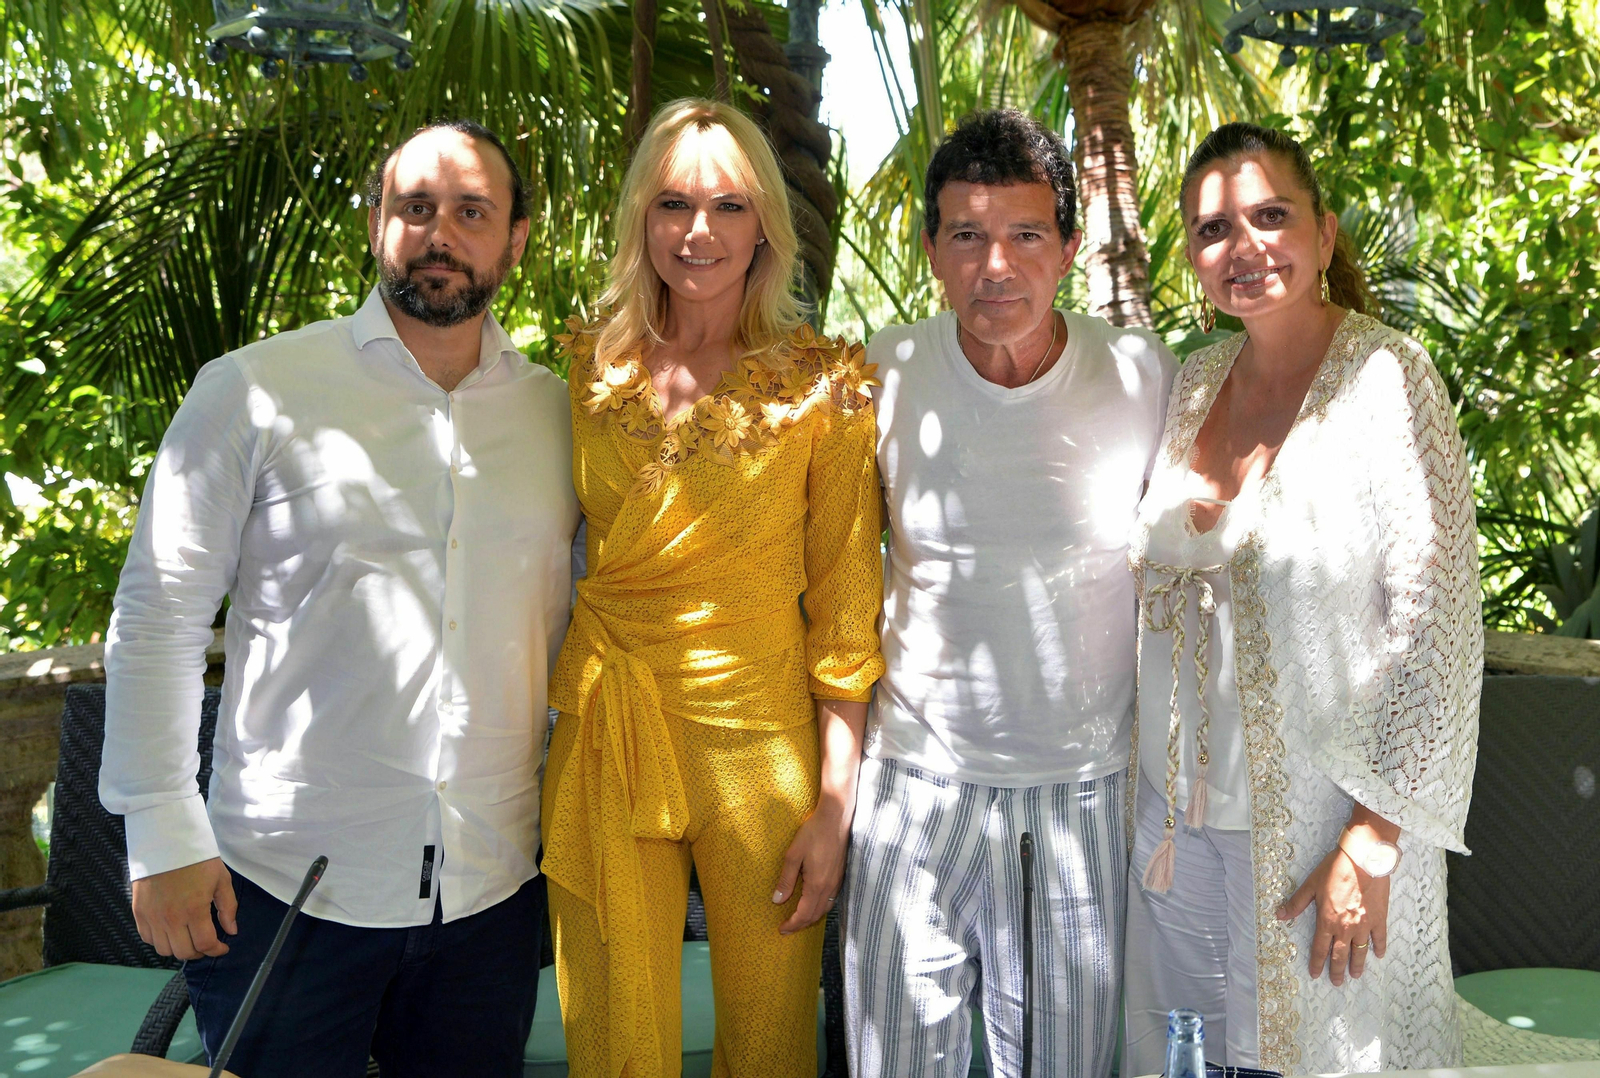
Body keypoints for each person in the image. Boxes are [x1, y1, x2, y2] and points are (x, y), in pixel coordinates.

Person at [99, 120, 581, 1078]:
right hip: (285, 890)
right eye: (416, 208)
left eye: (472, 212)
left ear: (516, 240)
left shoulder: (562, 417)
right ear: (376, 225)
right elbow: (157, 618)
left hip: (490, 893)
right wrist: (160, 831)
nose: (442, 234)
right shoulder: (254, 390)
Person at [1121, 122, 1481, 1076]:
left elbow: (1436, 628)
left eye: (1270, 216)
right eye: (1211, 230)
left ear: (1324, 235)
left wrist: (1373, 838)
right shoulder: (1197, 380)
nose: (1243, 247)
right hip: (1174, 828)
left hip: (1321, 834)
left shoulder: (1386, 379)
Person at [539, 98, 883, 1078]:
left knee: (771, 1048)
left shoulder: (827, 385)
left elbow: (847, 606)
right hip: (610, 728)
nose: (699, 233)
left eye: (729, 206)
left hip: (763, 755)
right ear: (639, 220)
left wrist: (831, 807)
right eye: (673, 204)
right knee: (614, 1044)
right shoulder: (582, 373)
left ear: (766, 222)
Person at [843, 109, 1177, 1078]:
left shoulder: (1138, 373)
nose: (998, 264)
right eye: (967, 235)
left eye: (1026, 234)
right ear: (931, 251)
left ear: (1069, 247)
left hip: (1079, 797)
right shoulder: (883, 371)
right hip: (912, 786)